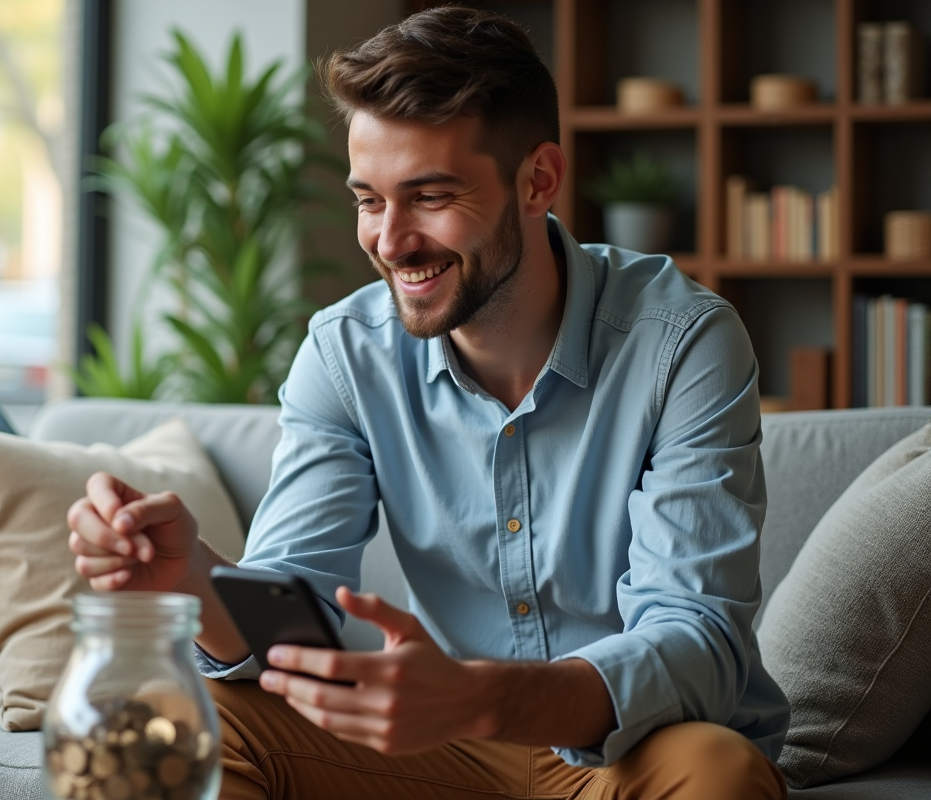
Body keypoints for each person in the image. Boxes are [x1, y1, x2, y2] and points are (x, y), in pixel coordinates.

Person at [67, 7, 791, 799]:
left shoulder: (682, 341)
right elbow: (295, 609)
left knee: (719, 774)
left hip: (628, 749)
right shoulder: (344, 353)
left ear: (538, 181)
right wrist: (190, 575)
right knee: (170, 720)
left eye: (430, 195)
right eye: (369, 200)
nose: (390, 240)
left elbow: (697, 641)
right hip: (436, 748)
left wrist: (478, 694)